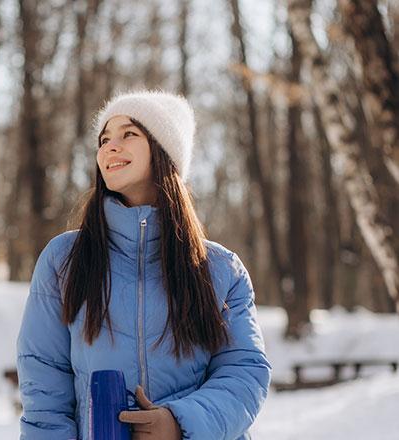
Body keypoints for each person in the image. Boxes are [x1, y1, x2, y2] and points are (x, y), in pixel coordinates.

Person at [16, 90, 271, 440]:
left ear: (164, 152)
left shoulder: (220, 269)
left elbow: (244, 373)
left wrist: (179, 423)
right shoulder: (64, 259)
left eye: (128, 134)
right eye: (104, 139)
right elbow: (43, 382)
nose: (109, 147)